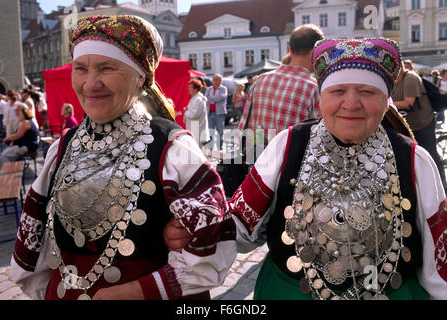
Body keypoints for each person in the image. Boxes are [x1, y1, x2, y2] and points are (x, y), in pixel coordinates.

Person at [165, 38, 447, 300]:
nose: (351, 103)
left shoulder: (414, 160)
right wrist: (198, 229)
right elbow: (240, 222)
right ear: (320, 99)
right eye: (337, 91)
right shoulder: (288, 143)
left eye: (367, 91)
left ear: (385, 102)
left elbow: (439, 260)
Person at [11, 14, 237, 301]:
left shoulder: (173, 148)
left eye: (106, 68)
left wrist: (138, 291)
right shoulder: (63, 147)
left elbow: (215, 241)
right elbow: (32, 239)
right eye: (80, 69)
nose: (90, 83)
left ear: (140, 75)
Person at [238, 24, 324, 144]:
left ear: (290, 50)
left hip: (257, 159)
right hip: (290, 161)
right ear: (316, 52)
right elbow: (318, 139)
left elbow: (242, 129)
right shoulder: (314, 88)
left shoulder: (260, 79)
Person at [391, 61, 447, 190]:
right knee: (413, 159)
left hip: (423, 123)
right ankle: (423, 189)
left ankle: (442, 190)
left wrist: (386, 105)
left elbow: (408, 103)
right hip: (409, 125)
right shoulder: (393, 80)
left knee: (430, 156)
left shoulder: (410, 78)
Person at [205, 74, 227, 151]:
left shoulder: (223, 88)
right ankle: (210, 149)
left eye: (218, 79)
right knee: (210, 131)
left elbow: (221, 97)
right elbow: (205, 99)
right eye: (214, 79)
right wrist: (213, 99)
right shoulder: (209, 89)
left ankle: (219, 148)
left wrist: (211, 98)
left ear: (221, 81)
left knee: (220, 131)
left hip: (219, 113)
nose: (216, 81)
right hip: (210, 112)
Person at [184, 79, 209, 147]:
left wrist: (186, 112)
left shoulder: (198, 99)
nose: (188, 89)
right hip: (195, 129)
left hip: (196, 130)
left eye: (190, 88)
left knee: (197, 151)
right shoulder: (195, 98)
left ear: (195, 89)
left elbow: (194, 115)